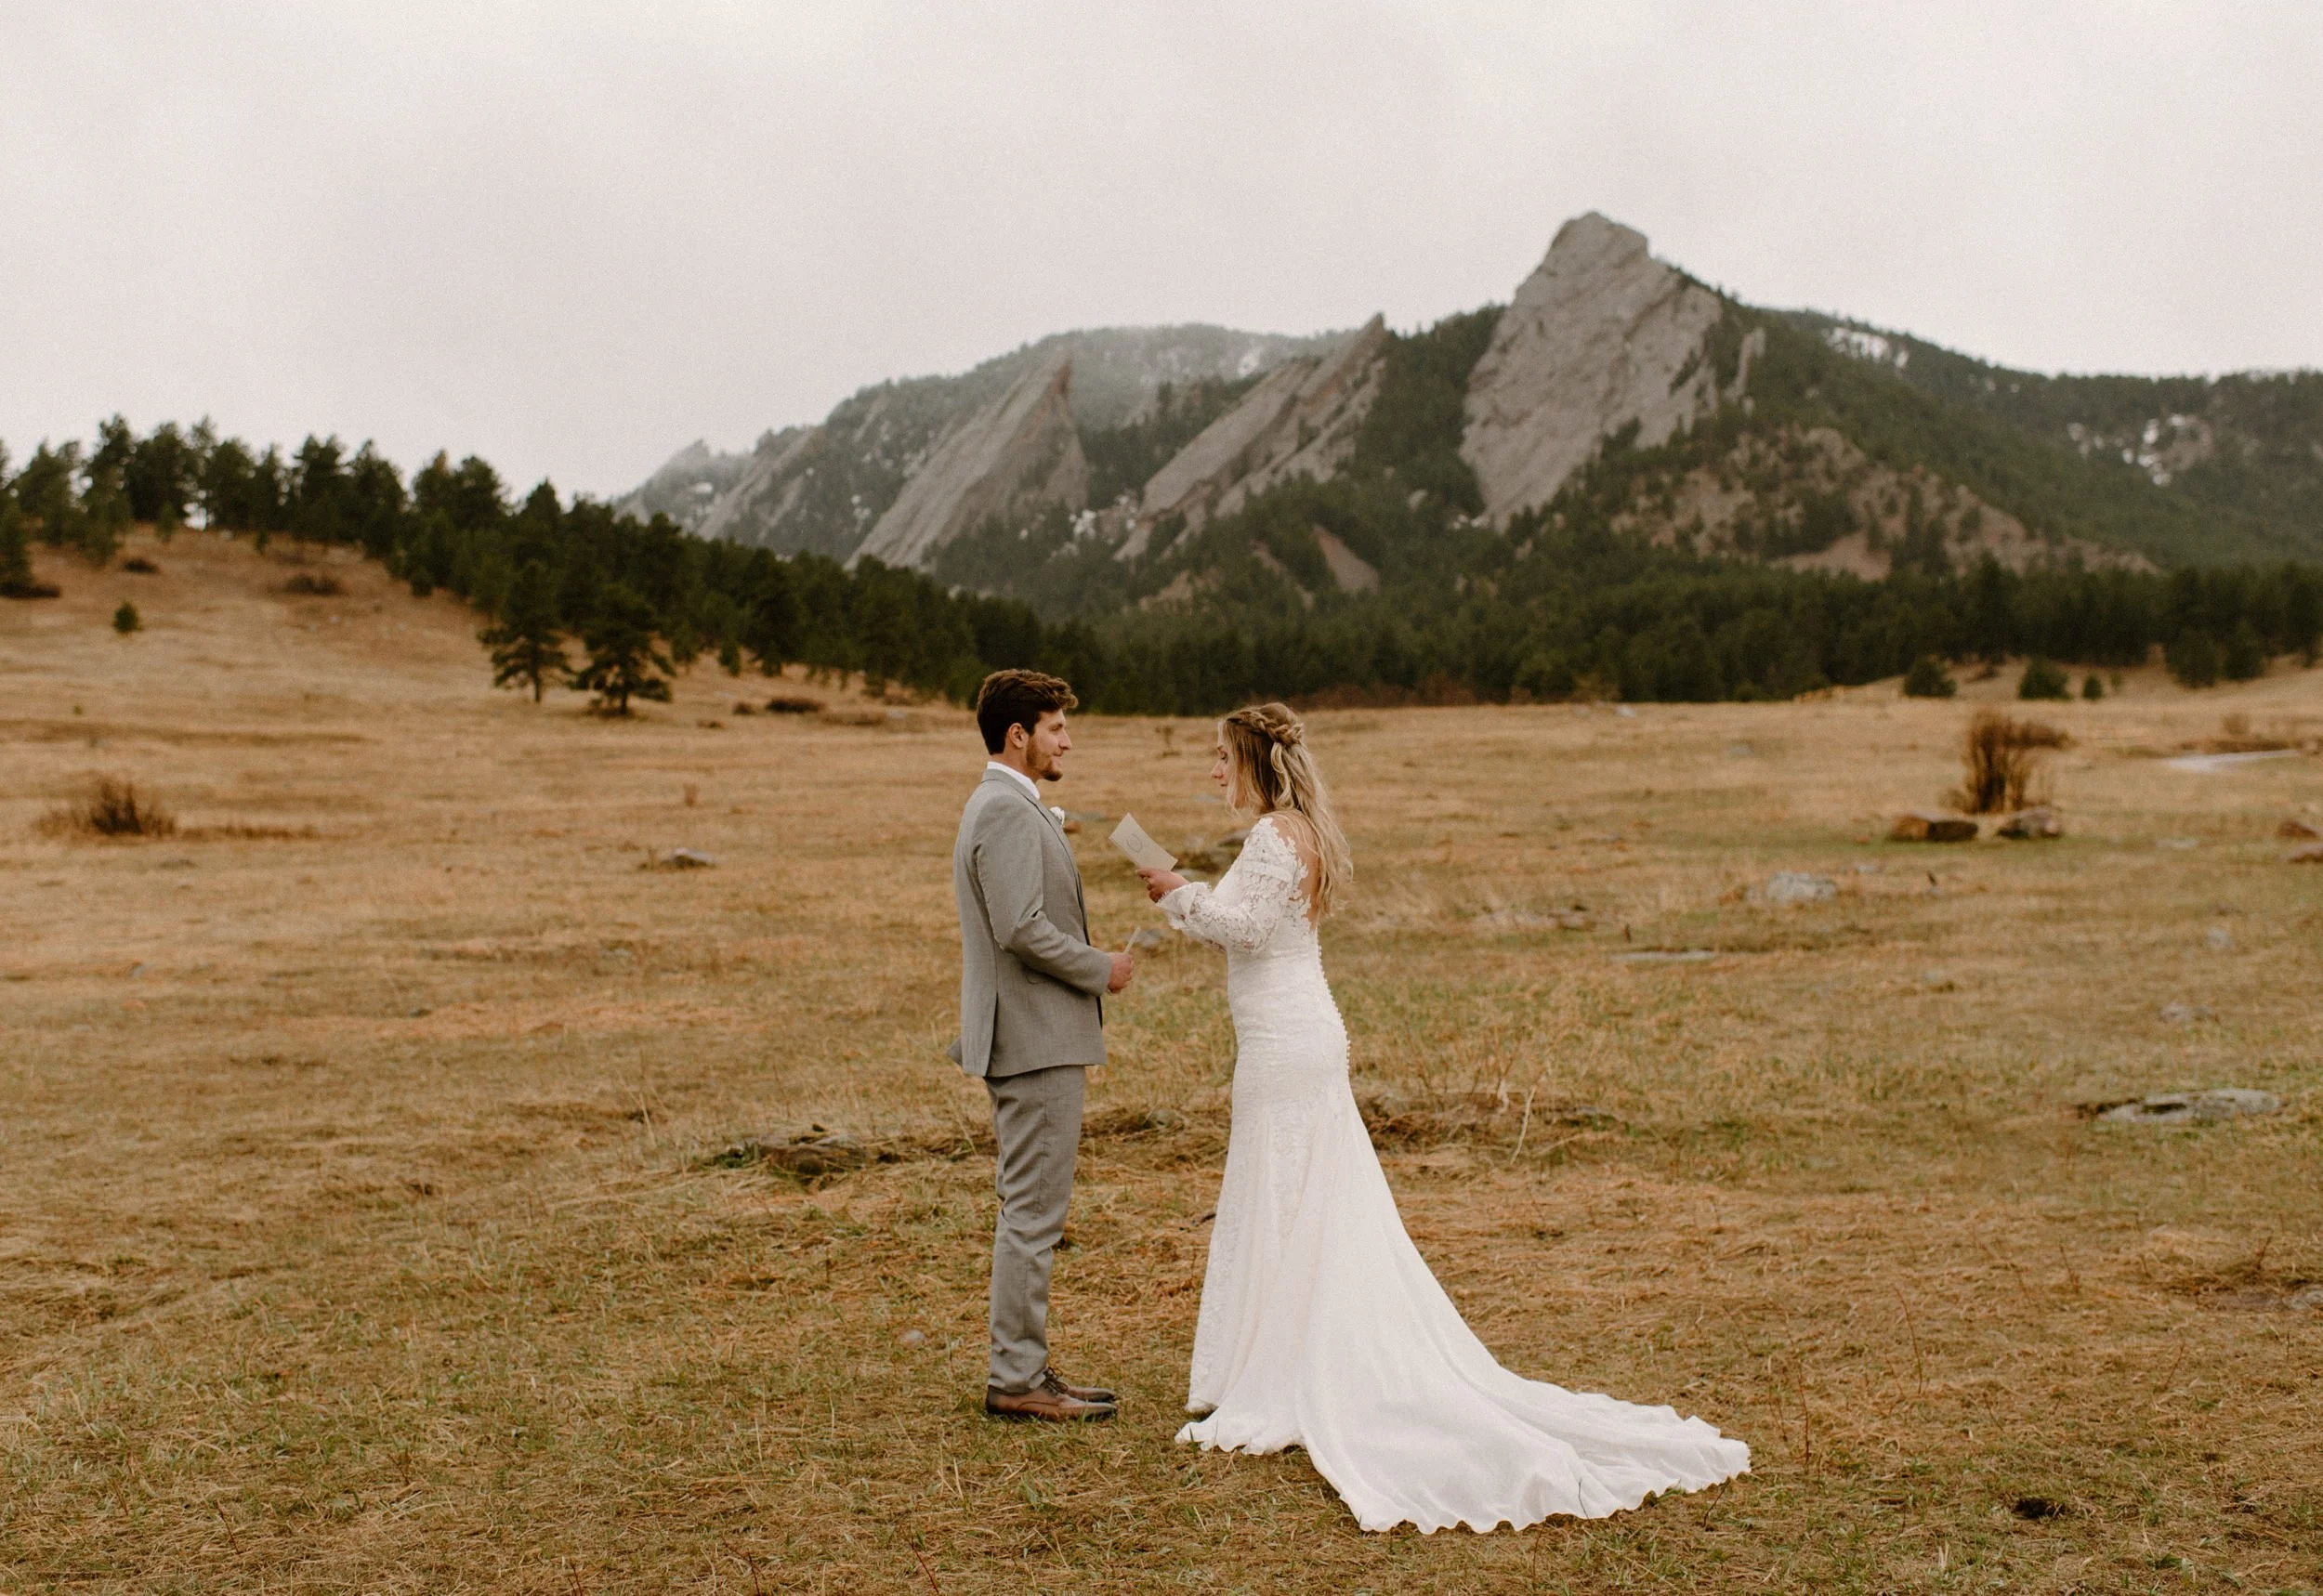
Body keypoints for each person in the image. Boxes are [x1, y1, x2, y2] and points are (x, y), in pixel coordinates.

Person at [1135, 702, 1749, 1532]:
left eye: (1220, 757)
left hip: (1286, 1041)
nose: (1212, 771)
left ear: (1255, 762)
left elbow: (1242, 930)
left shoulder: (1274, 838)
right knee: (1299, 1192)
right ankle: (1276, 1352)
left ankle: (1284, 1366)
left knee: (1286, 1187)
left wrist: (1178, 894)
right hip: (1294, 1031)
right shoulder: (1297, 833)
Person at [950, 669, 1133, 1422]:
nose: (1067, 740)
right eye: (1056, 727)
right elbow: (1020, 928)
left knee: (1028, 1209)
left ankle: (1022, 1369)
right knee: (1032, 1213)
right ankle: (1017, 1378)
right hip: (1034, 1040)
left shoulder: (1007, 805)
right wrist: (1104, 969)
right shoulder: (1006, 811)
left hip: (1033, 1037)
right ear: (1018, 735)